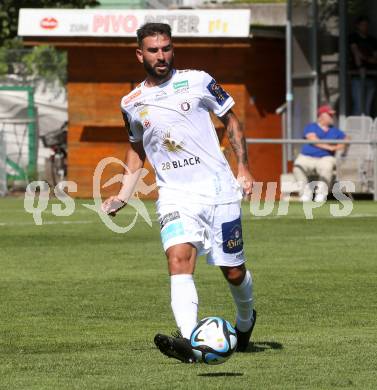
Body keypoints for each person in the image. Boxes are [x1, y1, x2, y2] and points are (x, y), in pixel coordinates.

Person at [101, 23, 256, 363]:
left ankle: (246, 320)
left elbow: (232, 122)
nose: (162, 55)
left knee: (233, 270)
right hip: (174, 195)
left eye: (166, 48)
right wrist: (124, 194)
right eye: (154, 50)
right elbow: (136, 148)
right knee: (178, 259)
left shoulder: (199, 80)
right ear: (140, 54)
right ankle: (190, 343)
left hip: (218, 191)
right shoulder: (131, 103)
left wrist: (243, 169)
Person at [293, 105, 348, 202]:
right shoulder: (311, 126)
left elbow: (346, 140)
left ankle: (321, 195)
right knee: (297, 167)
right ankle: (305, 194)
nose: (332, 117)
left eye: (332, 115)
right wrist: (330, 147)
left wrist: (336, 147)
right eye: (330, 115)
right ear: (322, 116)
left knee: (327, 167)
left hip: (325, 157)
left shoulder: (335, 131)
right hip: (307, 156)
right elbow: (313, 140)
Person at [349, 16, 377, 116]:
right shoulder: (353, 37)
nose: (365, 27)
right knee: (359, 106)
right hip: (357, 76)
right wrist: (360, 66)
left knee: (367, 107)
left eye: (366, 25)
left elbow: (375, 58)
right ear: (357, 26)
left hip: (371, 76)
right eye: (362, 25)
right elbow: (356, 52)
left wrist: (367, 60)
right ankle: (356, 129)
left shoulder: (372, 40)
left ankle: (366, 129)